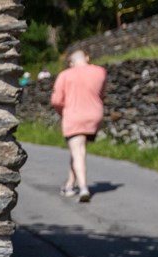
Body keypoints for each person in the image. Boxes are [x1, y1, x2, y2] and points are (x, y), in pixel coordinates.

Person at [50, 50, 107, 202]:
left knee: (78, 151)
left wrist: (62, 112)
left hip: (74, 115)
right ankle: (69, 184)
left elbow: (56, 101)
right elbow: (102, 93)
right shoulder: (100, 72)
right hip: (94, 115)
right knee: (79, 151)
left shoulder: (65, 75)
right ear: (87, 58)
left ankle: (83, 188)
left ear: (71, 62)